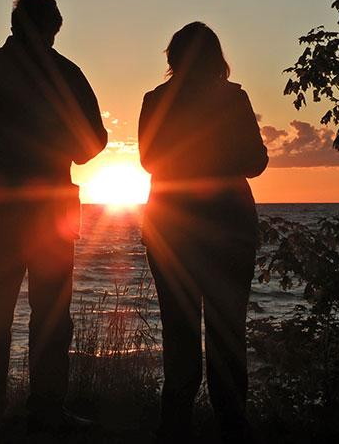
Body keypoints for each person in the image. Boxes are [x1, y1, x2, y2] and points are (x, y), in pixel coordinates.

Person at [0, 0, 107, 432]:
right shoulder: (66, 74)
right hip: (51, 213)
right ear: (51, 29)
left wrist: (5, 148)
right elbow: (93, 143)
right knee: (52, 313)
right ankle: (45, 406)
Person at [138, 22, 268, 442]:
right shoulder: (234, 98)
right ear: (217, 59)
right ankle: (231, 425)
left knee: (179, 331)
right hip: (229, 225)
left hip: (171, 228)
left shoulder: (156, 100)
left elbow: (151, 159)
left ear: (173, 58)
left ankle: (174, 426)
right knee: (228, 330)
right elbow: (256, 160)